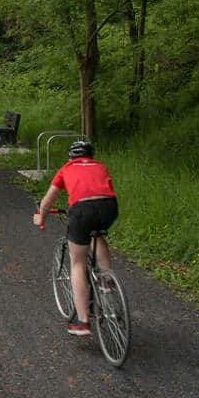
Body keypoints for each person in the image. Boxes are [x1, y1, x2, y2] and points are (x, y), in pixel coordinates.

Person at [32, 139, 117, 337]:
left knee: (78, 262)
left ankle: (83, 321)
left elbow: (49, 198)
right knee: (97, 235)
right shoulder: (100, 166)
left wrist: (41, 216)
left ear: (71, 157)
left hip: (82, 210)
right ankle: (106, 279)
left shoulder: (66, 168)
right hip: (109, 207)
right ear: (90, 156)